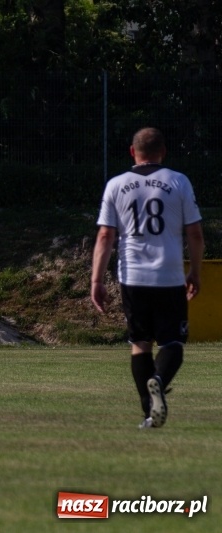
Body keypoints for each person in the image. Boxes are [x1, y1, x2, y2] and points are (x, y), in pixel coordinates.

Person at [91, 127, 204, 429]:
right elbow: (194, 232)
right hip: (168, 275)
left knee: (139, 343)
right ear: (163, 151)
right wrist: (195, 269)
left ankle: (149, 414)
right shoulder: (178, 181)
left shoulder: (116, 184)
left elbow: (105, 235)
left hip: (133, 276)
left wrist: (96, 280)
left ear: (132, 151)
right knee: (174, 343)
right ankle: (158, 380)